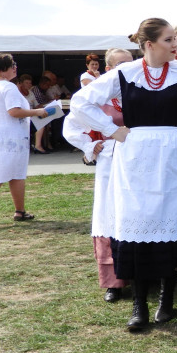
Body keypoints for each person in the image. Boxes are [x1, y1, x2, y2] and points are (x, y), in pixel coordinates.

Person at [69, 18, 177, 332]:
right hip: (136, 161)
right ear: (149, 44)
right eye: (169, 39)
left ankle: (166, 301)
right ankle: (139, 306)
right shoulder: (125, 74)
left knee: (169, 229)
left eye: (175, 39)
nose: (175, 45)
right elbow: (80, 102)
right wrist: (111, 129)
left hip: (176, 160)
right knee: (138, 229)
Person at [63, 48, 134, 302]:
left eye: (131, 63)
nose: (127, 69)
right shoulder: (96, 94)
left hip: (140, 163)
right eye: (120, 65)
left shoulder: (140, 89)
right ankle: (114, 282)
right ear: (108, 69)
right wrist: (89, 146)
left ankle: (148, 273)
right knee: (109, 213)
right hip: (111, 160)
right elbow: (71, 124)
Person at [0, 53, 52, 228]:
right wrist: (37, 112)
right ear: (0, 70)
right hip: (7, 137)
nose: (15, 67)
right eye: (12, 65)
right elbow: (13, 111)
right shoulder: (8, 87)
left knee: (15, 173)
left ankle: (19, 211)